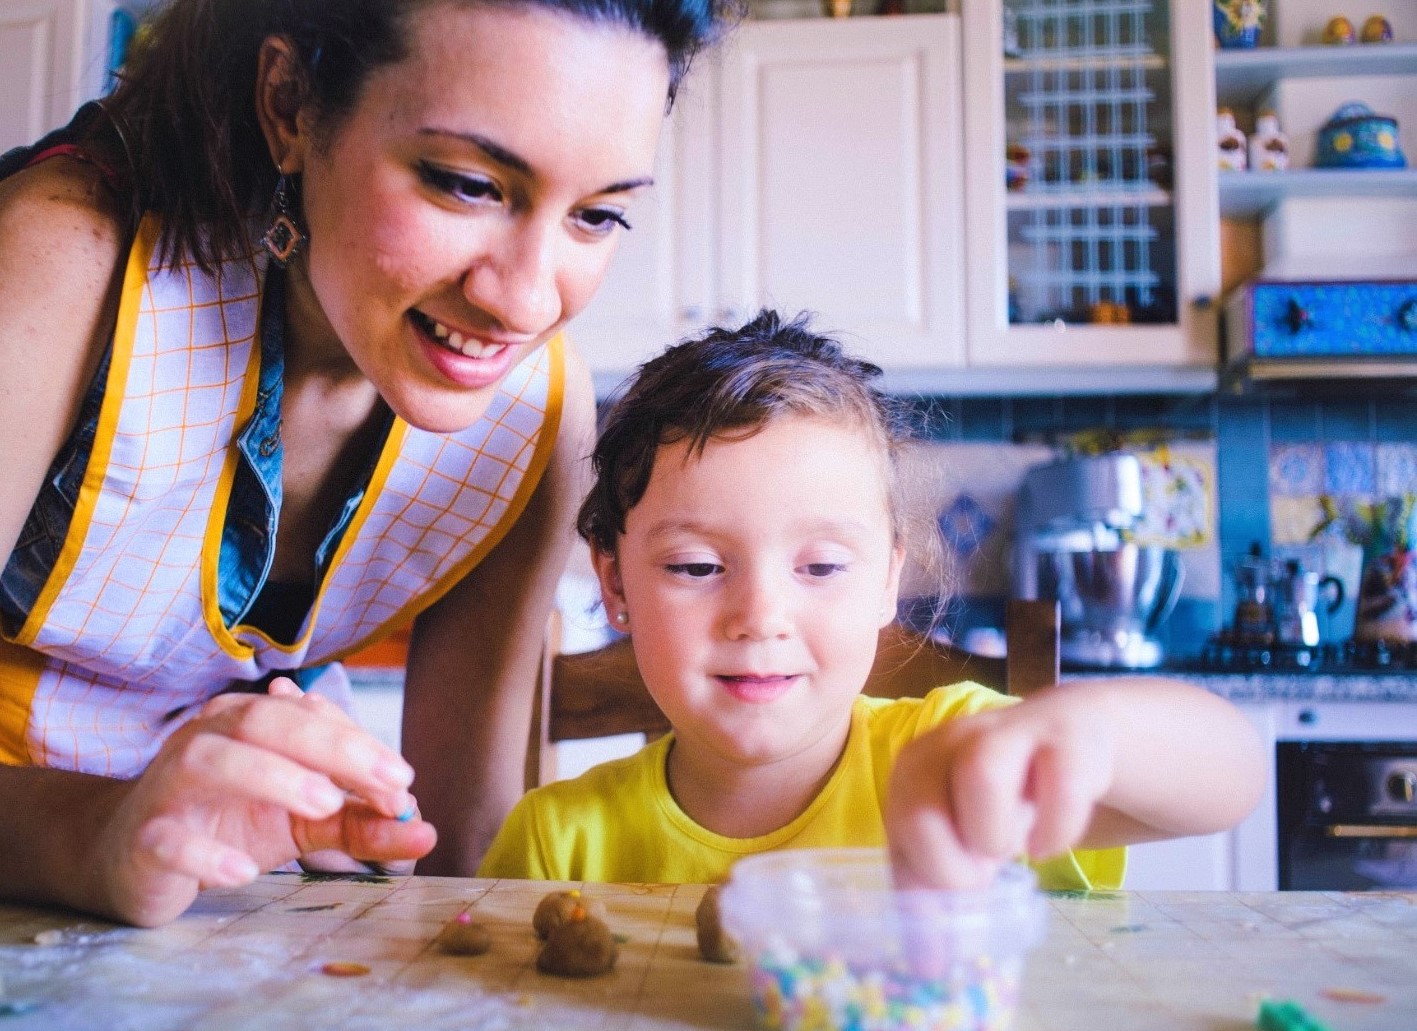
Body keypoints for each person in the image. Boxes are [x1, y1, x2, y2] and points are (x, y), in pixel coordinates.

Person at [0, 0, 737, 927]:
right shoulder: (63, 258)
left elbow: (466, 850)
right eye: (466, 183)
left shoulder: (537, 418)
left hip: (246, 912)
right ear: (290, 106)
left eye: (596, 216)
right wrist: (106, 833)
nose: (524, 297)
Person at [477, 310, 1268, 889]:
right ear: (614, 584)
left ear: (887, 581)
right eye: (694, 566)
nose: (759, 617)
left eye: (820, 567)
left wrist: (1083, 733)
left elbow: (1230, 778)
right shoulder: (557, 842)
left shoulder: (957, 756)